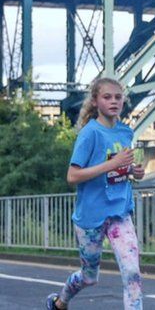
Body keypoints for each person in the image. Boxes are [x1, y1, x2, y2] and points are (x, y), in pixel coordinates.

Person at [47, 77, 145, 310]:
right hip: (91, 216)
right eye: (107, 97)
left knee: (132, 272)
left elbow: (118, 169)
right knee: (89, 277)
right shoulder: (89, 134)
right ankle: (60, 302)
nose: (113, 101)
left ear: (124, 101)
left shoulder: (125, 132)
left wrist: (132, 171)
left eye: (118, 97)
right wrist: (113, 164)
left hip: (119, 212)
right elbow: (72, 176)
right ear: (95, 101)